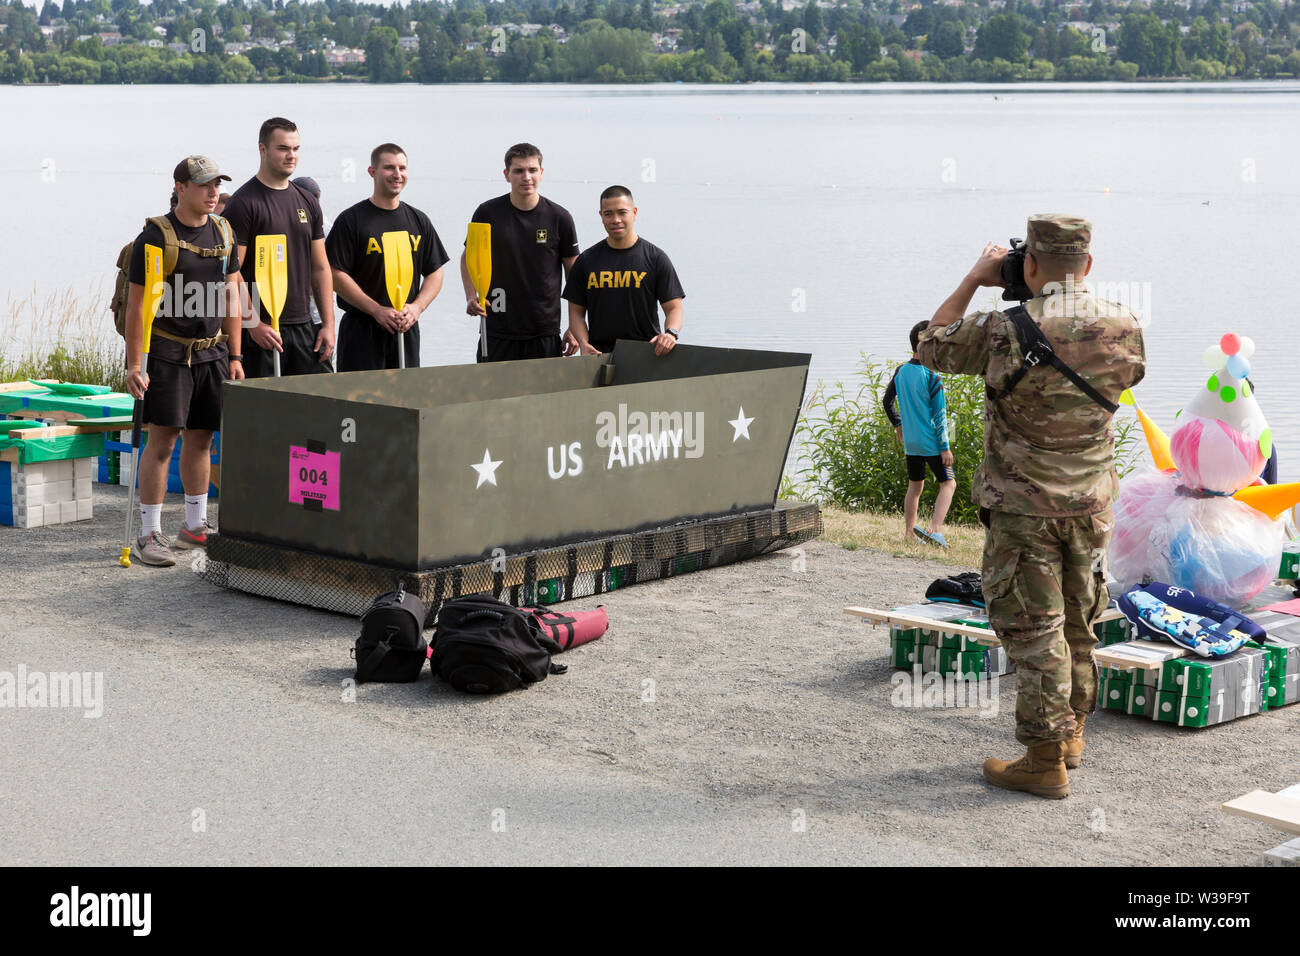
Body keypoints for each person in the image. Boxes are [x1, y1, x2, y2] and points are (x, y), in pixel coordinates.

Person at [917, 215, 1145, 799]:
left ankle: (1045, 760)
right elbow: (1130, 376)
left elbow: (927, 344)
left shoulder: (1003, 328)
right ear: (1087, 265)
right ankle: (1072, 735)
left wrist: (975, 276)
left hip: (1024, 507)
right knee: (1080, 618)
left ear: (1030, 265)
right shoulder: (1123, 324)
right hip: (1091, 505)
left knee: (1035, 627)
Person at [123, 155, 243, 567]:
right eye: (203, 185)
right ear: (180, 187)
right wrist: (134, 365)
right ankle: (148, 534)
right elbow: (138, 308)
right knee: (163, 441)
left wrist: (237, 353)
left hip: (214, 352)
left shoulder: (225, 231)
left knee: (203, 438)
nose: (212, 192)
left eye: (216, 185)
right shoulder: (155, 238)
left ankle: (194, 527)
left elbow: (234, 294)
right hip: (169, 353)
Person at [223, 116, 335, 376]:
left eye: (296, 149)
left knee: (319, 411)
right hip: (261, 331)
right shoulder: (243, 203)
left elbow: (320, 267)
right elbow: (232, 273)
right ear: (263, 149)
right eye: (283, 148)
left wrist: (328, 325)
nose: (291, 156)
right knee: (265, 415)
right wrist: (252, 323)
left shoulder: (308, 201)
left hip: (305, 327)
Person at [326, 145, 449, 371]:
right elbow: (334, 274)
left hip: (406, 328)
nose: (397, 174)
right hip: (362, 330)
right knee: (361, 404)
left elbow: (435, 271)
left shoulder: (418, 220)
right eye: (389, 168)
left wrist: (417, 308)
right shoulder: (351, 220)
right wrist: (376, 310)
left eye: (402, 168)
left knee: (405, 401)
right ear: (372, 172)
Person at [459, 143, 579, 362]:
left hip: (544, 331)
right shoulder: (487, 212)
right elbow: (468, 258)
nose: (527, 177)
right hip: (496, 329)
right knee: (493, 396)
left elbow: (574, 273)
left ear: (541, 173)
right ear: (507, 175)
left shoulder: (560, 217)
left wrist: (575, 326)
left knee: (543, 397)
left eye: (532, 170)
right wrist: (470, 296)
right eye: (519, 171)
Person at [561, 185, 685, 357]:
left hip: (647, 353)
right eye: (608, 214)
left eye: (622, 212)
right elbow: (576, 313)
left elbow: (674, 308)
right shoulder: (586, 261)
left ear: (634, 212)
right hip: (599, 355)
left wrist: (670, 333)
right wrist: (584, 343)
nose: (616, 219)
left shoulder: (655, 258)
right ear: (601, 216)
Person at [884, 320, 955, 547]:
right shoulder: (933, 377)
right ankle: (934, 530)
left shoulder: (900, 371)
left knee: (915, 487)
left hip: (911, 443)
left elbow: (887, 402)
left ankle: (908, 533)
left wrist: (898, 424)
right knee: (949, 484)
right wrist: (945, 447)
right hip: (932, 442)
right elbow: (940, 416)